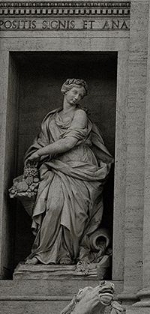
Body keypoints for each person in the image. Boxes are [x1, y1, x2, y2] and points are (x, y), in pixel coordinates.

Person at [20, 78, 113, 265]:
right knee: (53, 207)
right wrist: (38, 155)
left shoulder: (80, 115)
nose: (76, 97)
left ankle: (66, 255)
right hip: (56, 167)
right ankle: (43, 253)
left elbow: (69, 142)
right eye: (74, 92)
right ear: (65, 90)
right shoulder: (50, 119)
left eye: (80, 95)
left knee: (77, 214)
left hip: (80, 167)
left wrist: (39, 153)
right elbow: (42, 141)